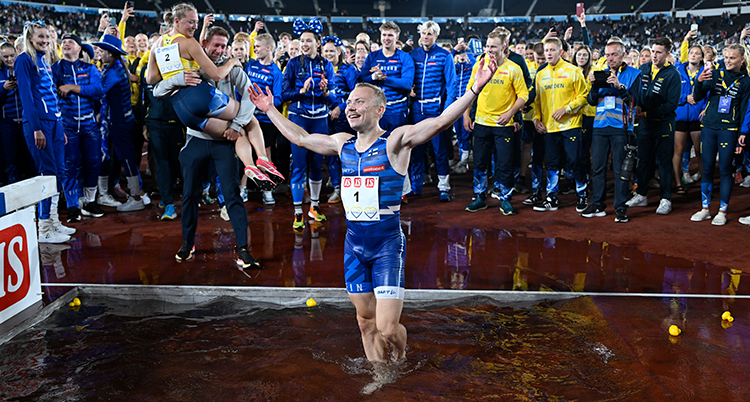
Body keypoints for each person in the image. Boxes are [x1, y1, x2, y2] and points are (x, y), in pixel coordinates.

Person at [248, 52, 497, 367]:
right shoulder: (343, 144)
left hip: (387, 246)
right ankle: (382, 377)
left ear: (380, 109)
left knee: (387, 327)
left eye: (359, 102)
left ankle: (401, 355)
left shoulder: (396, 142)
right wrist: (270, 109)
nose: (351, 106)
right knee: (365, 323)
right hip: (354, 247)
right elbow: (302, 136)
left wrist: (474, 90)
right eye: (350, 102)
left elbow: (440, 121)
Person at [154, 25, 264, 268]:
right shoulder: (190, 64)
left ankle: (244, 250)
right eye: (216, 45)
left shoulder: (231, 66)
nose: (220, 50)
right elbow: (157, 88)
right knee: (190, 195)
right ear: (204, 43)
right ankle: (187, 243)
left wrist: (236, 125)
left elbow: (249, 97)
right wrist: (177, 78)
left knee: (233, 196)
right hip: (196, 139)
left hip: (224, 141)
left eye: (224, 46)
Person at [146, 3, 277, 190]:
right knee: (250, 120)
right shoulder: (189, 43)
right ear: (176, 21)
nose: (195, 26)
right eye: (190, 22)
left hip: (182, 111)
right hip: (199, 96)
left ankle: (250, 166)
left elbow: (151, 80)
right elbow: (216, 74)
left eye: (197, 23)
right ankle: (260, 160)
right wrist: (232, 61)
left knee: (238, 131)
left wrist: (175, 79)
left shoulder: (158, 44)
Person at [15, 20, 73, 243]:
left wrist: (60, 125)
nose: (45, 40)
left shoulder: (44, 59)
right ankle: (44, 228)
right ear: (30, 38)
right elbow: (27, 97)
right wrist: (37, 128)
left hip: (55, 123)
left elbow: (50, 93)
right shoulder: (24, 60)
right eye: (41, 37)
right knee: (47, 173)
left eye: (48, 37)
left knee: (59, 171)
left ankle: (54, 222)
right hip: (39, 124)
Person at [463, 29, 529, 216]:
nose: (489, 50)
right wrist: (466, 115)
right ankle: (480, 197)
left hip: (503, 124)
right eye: (487, 46)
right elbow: (470, 91)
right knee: (480, 162)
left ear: (503, 47)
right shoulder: (479, 66)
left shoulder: (513, 68)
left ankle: (505, 199)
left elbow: (523, 95)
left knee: (505, 163)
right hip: (482, 123)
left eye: (493, 46)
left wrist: (511, 113)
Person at [282, 18, 338, 231]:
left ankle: (314, 207)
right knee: (299, 166)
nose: (304, 45)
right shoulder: (293, 64)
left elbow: (333, 95)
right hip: (298, 118)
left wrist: (326, 92)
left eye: (308, 41)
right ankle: (298, 212)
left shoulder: (327, 65)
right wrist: (302, 92)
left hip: (320, 120)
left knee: (317, 165)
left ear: (318, 43)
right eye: (302, 41)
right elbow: (284, 95)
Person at [581, 37, 642, 223]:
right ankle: (598, 204)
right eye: (607, 55)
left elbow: (636, 101)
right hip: (599, 126)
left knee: (620, 170)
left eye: (614, 54)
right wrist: (592, 86)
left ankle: (620, 207)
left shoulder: (634, 73)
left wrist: (619, 87)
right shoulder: (601, 73)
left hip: (621, 128)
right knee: (597, 168)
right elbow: (591, 101)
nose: (610, 58)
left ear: (623, 54)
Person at [693, 44, 750, 226]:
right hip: (709, 127)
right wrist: (699, 81)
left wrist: (743, 133)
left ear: (742, 59)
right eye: (726, 57)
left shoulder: (746, 82)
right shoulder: (716, 73)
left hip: (729, 130)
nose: (727, 61)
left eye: (732, 58)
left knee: (725, 170)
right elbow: (698, 96)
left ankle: (722, 211)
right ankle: (705, 209)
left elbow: (745, 110)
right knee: (707, 168)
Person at [52, 33, 106, 221]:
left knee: (93, 162)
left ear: (79, 48)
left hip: (89, 126)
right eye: (63, 42)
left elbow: (98, 90)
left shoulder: (89, 68)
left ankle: (90, 202)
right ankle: (73, 206)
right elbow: (51, 95)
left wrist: (71, 87)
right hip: (66, 127)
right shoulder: (55, 69)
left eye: (71, 42)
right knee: (70, 165)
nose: (66, 44)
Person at [531, 37, 589, 213]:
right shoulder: (540, 74)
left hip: (571, 124)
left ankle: (582, 195)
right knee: (553, 163)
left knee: (575, 160)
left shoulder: (573, 71)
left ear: (561, 52)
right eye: (546, 50)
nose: (548, 53)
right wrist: (536, 119)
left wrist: (567, 109)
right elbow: (537, 101)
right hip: (549, 127)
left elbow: (584, 96)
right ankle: (551, 197)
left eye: (552, 50)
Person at [626, 37, 681, 215]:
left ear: (667, 54)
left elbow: (671, 105)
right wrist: (639, 106)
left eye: (658, 52)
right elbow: (637, 94)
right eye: (653, 52)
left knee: (664, 162)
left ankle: (666, 198)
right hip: (644, 124)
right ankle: (641, 194)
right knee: (642, 160)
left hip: (664, 125)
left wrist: (647, 113)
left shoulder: (673, 74)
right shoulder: (643, 69)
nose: (654, 56)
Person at [93, 34, 146, 212]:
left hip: (119, 122)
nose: (100, 53)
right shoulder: (116, 67)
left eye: (103, 50)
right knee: (123, 157)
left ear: (111, 53)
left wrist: (73, 87)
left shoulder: (114, 72)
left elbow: (97, 91)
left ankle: (135, 197)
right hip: (121, 120)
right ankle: (134, 194)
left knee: (125, 158)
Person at [408, 21, 456, 202]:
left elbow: (452, 87)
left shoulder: (445, 56)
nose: (425, 36)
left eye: (429, 33)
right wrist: (408, 91)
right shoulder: (412, 55)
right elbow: (406, 79)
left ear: (436, 36)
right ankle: (416, 186)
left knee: (440, 150)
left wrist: (446, 113)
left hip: (436, 111)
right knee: (416, 150)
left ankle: (444, 186)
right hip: (416, 110)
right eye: (423, 33)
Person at [246, 33, 285, 206]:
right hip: (247, 117)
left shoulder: (276, 72)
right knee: (245, 151)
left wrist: (264, 103)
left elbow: (278, 98)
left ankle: (267, 190)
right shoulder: (250, 65)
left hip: (266, 120)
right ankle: (244, 188)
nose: (255, 50)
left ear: (268, 48)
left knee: (265, 153)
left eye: (258, 47)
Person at [358, 21, 415, 133]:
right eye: (384, 35)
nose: (386, 38)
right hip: (376, 111)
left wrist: (385, 78)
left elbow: (407, 84)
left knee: (398, 147)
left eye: (390, 35)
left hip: (397, 111)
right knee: (378, 146)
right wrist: (373, 77)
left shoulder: (404, 57)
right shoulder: (372, 56)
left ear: (397, 37)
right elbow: (361, 80)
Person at [322, 35, 358, 204]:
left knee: (348, 153)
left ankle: (351, 187)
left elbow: (355, 93)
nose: (329, 54)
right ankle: (337, 188)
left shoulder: (349, 70)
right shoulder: (321, 69)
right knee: (330, 154)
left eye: (332, 51)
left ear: (339, 51)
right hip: (326, 117)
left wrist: (339, 108)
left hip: (345, 118)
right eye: (326, 51)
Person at [674, 33, 708, 191]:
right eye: (691, 53)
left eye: (697, 53)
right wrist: (684, 98)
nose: (693, 55)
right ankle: (678, 183)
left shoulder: (706, 73)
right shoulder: (678, 71)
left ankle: (704, 182)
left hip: (697, 117)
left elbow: (709, 94)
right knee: (679, 151)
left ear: (701, 57)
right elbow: (671, 93)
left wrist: (705, 109)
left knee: (700, 151)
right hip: (680, 116)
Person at [0, 42, 35, 184]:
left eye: (12, 55)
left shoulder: (24, 68)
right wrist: (3, 88)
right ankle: (14, 199)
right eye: (5, 57)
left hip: (26, 122)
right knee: (11, 160)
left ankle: (35, 198)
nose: (9, 59)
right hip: (7, 123)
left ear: (17, 53)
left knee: (30, 158)